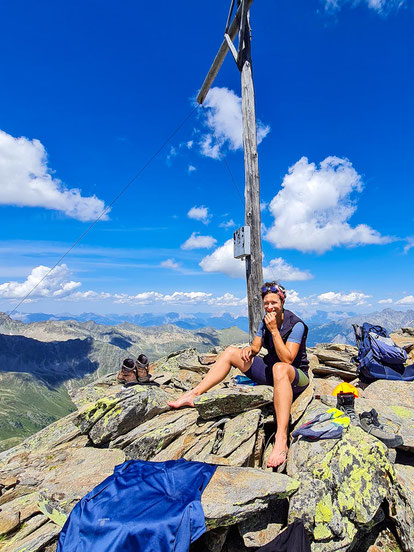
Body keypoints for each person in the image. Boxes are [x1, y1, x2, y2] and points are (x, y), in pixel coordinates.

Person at [168, 282, 310, 470]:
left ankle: (281, 437)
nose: (269, 307)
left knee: (280, 368)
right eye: (266, 303)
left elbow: (288, 359)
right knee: (230, 352)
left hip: (295, 376)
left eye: (274, 302)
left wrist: (275, 330)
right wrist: (248, 350)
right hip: (272, 370)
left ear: (282, 301)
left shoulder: (296, 325)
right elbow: (256, 347)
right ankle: (193, 394)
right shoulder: (265, 320)